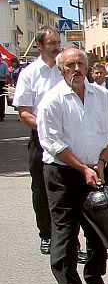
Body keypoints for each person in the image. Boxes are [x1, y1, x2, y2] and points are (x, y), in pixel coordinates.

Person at [37, 48, 108, 284]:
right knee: (65, 233)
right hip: (63, 173)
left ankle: (95, 276)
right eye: (70, 65)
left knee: (98, 230)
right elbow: (52, 143)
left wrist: (101, 162)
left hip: (96, 169)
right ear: (61, 70)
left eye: (80, 64)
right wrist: (82, 167)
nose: (76, 69)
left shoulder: (103, 96)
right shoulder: (53, 100)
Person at [13, 26, 62, 255]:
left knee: (67, 190)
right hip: (40, 138)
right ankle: (47, 234)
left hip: (67, 138)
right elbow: (24, 112)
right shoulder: (30, 74)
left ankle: (68, 239)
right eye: (51, 43)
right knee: (42, 189)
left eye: (57, 42)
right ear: (40, 46)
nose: (56, 47)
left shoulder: (66, 69)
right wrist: (47, 128)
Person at [90, 61, 108, 185]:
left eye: (101, 73)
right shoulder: (88, 89)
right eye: (96, 73)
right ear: (92, 74)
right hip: (95, 129)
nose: (98, 75)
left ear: (106, 74)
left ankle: (107, 183)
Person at [0, 57, 8, 121]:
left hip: (1, 82)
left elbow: (7, 74)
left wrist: (2, 76)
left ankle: (1, 116)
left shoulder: (4, 64)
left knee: (1, 99)